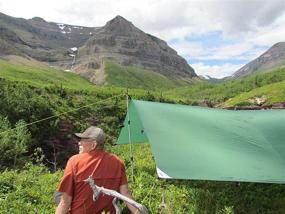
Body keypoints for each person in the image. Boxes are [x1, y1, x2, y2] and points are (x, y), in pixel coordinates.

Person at [55, 126, 139, 214]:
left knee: (58, 194)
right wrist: (139, 212)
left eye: (83, 140)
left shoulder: (74, 161)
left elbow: (65, 202)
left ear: (93, 145)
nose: (79, 143)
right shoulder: (117, 161)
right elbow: (125, 193)